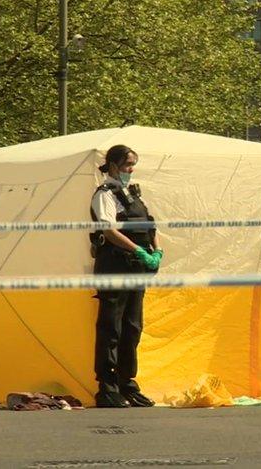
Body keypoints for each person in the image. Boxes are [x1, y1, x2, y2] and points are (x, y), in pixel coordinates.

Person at [90, 145, 163, 408]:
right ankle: (107, 387)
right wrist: (140, 251)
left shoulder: (133, 195)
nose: (130, 170)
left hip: (136, 270)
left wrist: (157, 250)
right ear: (112, 165)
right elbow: (109, 231)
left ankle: (127, 383)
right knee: (111, 328)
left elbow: (150, 224)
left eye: (133, 165)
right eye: (126, 165)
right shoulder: (104, 194)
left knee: (132, 328)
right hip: (114, 267)